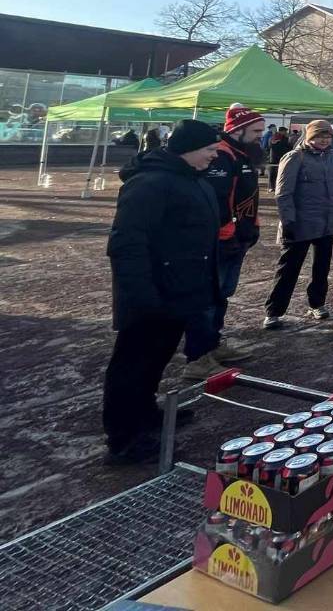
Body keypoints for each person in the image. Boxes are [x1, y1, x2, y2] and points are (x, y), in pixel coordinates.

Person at [102, 119, 222, 463]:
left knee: (155, 358)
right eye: (210, 150)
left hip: (178, 291)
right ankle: (123, 438)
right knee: (132, 363)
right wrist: (143, 295)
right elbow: (127, 243)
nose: (214, 156)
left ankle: (145, 413)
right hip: (151, 292)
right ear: (190, 149)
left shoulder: (189, 178)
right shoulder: (151, 183)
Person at [182, 105, 265, 380]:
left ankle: (213, 344)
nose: (260, 136)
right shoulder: (222, 156)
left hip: (238, 237)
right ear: (237, 129)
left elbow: (246, 196)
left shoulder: (242, 154)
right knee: (207, 297)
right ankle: (198, 356)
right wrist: (228, 231)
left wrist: (252, 227)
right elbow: (215, 200)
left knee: (221, 295)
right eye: (255, 131)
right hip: (220, 240)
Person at [264, 121, 333, 329]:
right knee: (289, 268)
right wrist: (288, 221)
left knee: (321, 267)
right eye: (320, 136)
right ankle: (274, 311)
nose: (324, 140)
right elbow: (283, 193)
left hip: (328, 221)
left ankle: (317, 303)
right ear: (309, 137)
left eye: (328, 136)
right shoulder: (295, 157)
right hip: (301, 222)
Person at [266, 125, 290, 191]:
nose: (286, 132)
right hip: (275, 157)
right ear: (281, 131)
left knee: (277, 172)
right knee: (273, 172)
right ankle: (272, 186)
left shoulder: (279, 138)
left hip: (277, 157)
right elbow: (272, 146)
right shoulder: (276, 138)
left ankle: (274, 186)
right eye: (285, 131)